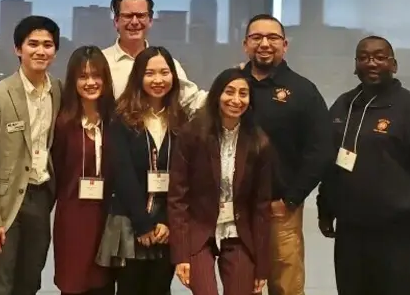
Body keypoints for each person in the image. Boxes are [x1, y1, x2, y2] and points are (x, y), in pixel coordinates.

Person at [316, 36, 410, 295]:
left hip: (402, 237)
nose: (371, 63)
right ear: (355, 65)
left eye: (380, 57)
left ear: (394, 65)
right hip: (351, 236)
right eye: (364, 57)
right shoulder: (342, 106)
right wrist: (325, 207)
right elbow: (330, 162)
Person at [237, 14, 330, 295]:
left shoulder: (303, 91)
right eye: (256, 38)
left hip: (280, 208)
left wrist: (291, 198)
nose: (265, 44)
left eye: (273, 38)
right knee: (239, 284)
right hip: (234, 208)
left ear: (285, 45)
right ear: (245, 45)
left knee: (286, 287)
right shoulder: (232, 87)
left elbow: (321, 149)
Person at [0, 16, 63, 295]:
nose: (40, 51)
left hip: (40, 196)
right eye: (32, 44)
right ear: (18, 49)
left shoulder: (58, 91)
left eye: (47, 45)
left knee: (30, 280)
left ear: (55, 51)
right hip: (5, 202)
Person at [169, 68, 272, 295]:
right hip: (200, 232)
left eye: (243, 94)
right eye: (230, 92)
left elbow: (261, 207)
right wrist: (181, 255)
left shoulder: (259, 142)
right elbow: (178, 198)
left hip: (239, 234)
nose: (236, 100)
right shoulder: (192, 134)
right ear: (217, 94)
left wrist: (262, 267)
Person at [97, 46, 186, 295]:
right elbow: (122, 173)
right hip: (131, 222)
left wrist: (166, 221)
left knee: (160, 289)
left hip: (166, 226)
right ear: (138, 77)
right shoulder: (121, 117)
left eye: (164, 72)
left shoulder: (181, 119)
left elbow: (183, 178)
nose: (158, 80)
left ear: (173, 77)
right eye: (150, 73)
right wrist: (143, 224)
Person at [52, 46, 117, 295]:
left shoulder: (115, 120)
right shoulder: (63, 123)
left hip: (107, 217)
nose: (90, 82)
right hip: (72, 217)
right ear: (73, 80)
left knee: (103, 284)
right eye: (83, 76)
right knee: (74, 282)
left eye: (96, 75)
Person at [102, 0, 205, 112]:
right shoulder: (101, 62)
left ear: (150, 21)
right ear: (116, 21)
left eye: (141, 16)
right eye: (128, 16)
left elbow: (192, 101)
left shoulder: (167, 63)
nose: (134, 22)